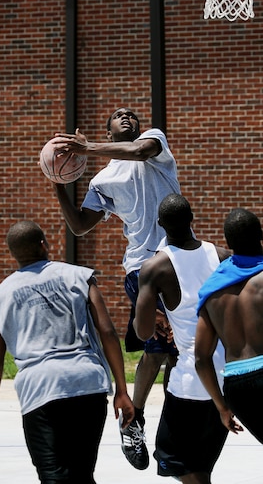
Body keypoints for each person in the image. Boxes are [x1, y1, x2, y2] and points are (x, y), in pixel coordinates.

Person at [51, 107, 180, 470]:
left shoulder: (153, 143)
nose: (127, 117)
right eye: (118, 115)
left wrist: (86, 148)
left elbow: (139, 151)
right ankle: (133, 420)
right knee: (157, 350)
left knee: (181, 354)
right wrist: (58, 184)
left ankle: (172, 421)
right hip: (142, 268)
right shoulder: (102, 180)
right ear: (108, 127)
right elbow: (79, 225)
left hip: (180, 262)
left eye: (131, 115)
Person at [0, 220, 134, 484]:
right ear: (44, 245)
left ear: (12, 253)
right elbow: (107, 332)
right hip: (87, 383)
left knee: (53, 476)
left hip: (39, 390)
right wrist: (121, 390)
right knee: (82, 474)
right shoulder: (79, 276)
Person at [134, 194, 242, 483]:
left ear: (160, 225)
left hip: (192, 379)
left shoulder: (155, 268)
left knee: (175, 461)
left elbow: (143, 332)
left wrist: (153, 314)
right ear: (192, 219)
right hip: (229, 377)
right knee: (201, 465)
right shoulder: (221, 255)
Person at [195, 207, 263, 444]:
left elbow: (201, 358)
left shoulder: (211, 290)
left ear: (228, 242)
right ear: (260, 235)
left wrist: (222, 407)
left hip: (237, 388)